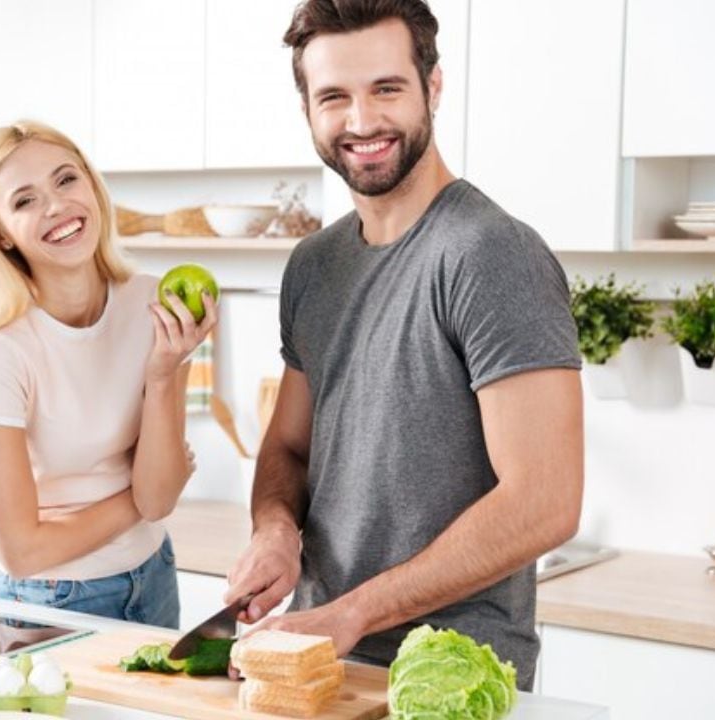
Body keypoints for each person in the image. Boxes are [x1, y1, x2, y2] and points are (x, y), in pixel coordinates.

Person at [224, 0, 583, 689]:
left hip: (454, 671)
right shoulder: (314, 265)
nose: (361, 123)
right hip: (322, 656)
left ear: (433, 87)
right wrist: (274, 528)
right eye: (334, 97)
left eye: (386, 89)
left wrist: (353, 612)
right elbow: (290, 448)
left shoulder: (490, 254)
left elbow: (546, 500)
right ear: (308, 111)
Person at [0, 120, 217, 630]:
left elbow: (161, 498)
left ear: (91, 184)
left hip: (154, 576)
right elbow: (22, 551)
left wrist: (163, 374)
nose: (57, 206)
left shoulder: (155, 305)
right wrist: (133, 502)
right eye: (24, 201)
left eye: (66, 180)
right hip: (52, 600)